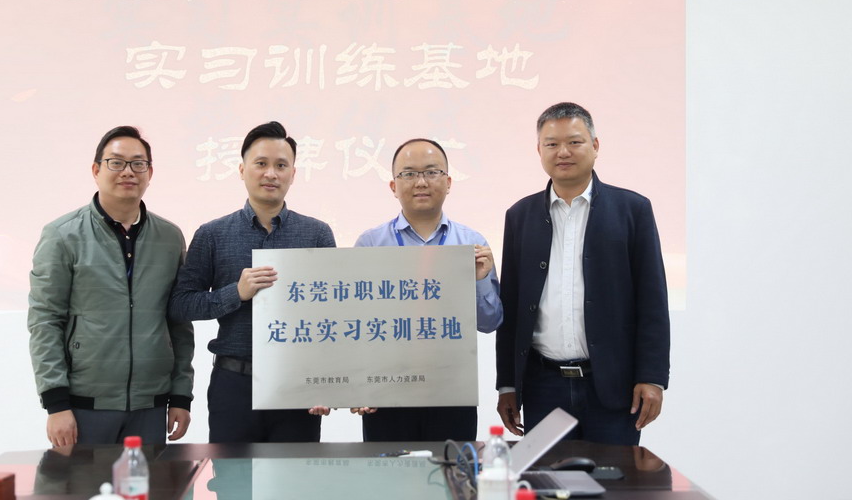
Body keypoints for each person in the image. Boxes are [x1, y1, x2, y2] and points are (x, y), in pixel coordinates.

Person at [495, 103, 670, 445]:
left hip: (613, 386)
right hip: (543, 386)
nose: (563, 152)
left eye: (574, 142)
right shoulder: (520, 216)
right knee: (546, 477)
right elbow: (511, 307)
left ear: (595, 145)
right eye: (552, 144)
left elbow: (652, 301)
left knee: (614, 478)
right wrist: (507, 385)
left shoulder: (632, 210)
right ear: (539, 150)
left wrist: (652, 376)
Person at [168, 121, 336, 442]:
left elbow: (332, 313)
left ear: (293, 174)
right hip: (234, 384)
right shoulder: (213, 234)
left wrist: (325, 381)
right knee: (233, 474)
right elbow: (181, 304)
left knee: (296, 475)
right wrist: (235, 293)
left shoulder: (317, 234)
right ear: (242, 170)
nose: (271, 173)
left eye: (281, 166)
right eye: (261, 163)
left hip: (298, 385)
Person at [28, 126, 194, 447]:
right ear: (96, 170)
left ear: (150, 173)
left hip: (151, 404)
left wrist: (180, 395)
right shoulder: (62, 235)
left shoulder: (170, 238)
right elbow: (44, 320)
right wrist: (56, 403)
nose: (128, 172)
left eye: (138, 163)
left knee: (149, 481)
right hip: (84, 404)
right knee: (85, 482)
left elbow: (179, 323)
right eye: (116, 162)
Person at [351, 138, 503, 442]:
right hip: (386, 393)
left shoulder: (471, 243)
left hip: (452, 392)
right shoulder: (370, 244)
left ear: (448, 182)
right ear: (393, 186)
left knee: (452, 471)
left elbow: (490, 322)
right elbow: (354, 324)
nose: (421, 182)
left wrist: (479, 280)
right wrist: (356, 385)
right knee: (387, 469)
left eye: (432, 172)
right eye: (409, 174)